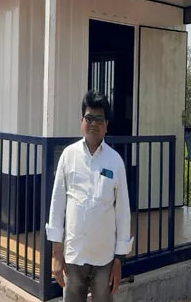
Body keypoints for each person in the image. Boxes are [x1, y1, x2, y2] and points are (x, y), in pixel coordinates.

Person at [45, 90, 133, 302]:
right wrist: (57, 252)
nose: (93, 123)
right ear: (81, 121)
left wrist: (119, 259)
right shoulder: (69, 156)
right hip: (74, 255)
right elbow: (57, 205)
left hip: (105, 259)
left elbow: (122, 212)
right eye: (89, 118)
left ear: (106, 125)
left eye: (99, 119)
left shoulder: (115, 161)